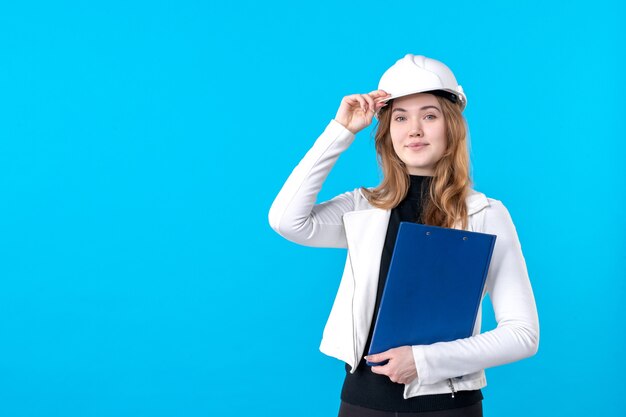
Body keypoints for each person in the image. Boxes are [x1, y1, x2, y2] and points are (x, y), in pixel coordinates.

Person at [268, 54, 539, 417]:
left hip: (449, 408)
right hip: (362, 405)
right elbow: (287, 220)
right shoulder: (362, 208)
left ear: (451, 126)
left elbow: (523, 334)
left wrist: (425, 361)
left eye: (429, 115)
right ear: (387, 131)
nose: (414, 129)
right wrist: (341, 130)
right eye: (400, 117)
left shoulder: (485, 214)